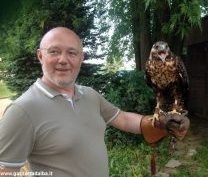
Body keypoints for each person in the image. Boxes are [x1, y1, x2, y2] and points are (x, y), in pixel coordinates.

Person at [0, 27, 189, 177]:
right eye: (54, 51)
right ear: (40, 56)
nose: (63, 60)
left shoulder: (89, 95)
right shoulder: (22, 110)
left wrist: (159, 123)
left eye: (72, 53)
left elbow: (122, 119)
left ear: (81, 59)